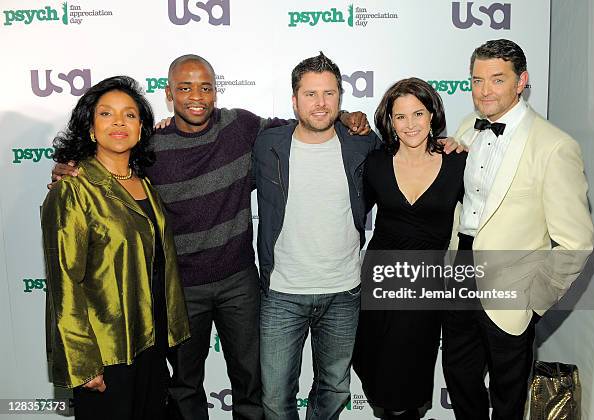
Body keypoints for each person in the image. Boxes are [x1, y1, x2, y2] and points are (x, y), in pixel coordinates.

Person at [50, 54, 372, 420]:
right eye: (184, 88)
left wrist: (347, 117)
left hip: (239, 281)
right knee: (185, 385)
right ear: (169, 93)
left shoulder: (243, 127)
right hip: (181, 287)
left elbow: (307, 122)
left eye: (205, 87)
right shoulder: (150, 146)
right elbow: (113, 167)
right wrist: (73, 166)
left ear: (215, 92)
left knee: (252, 382)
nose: (196, 96)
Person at [442, 39, 594, 420]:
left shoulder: (554, 146)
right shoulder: (467, 127)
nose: (484, 90)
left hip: (513, 285)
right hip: (459, 267)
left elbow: (576, 242)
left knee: (509, 395)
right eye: (477, 80)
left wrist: (533, 303)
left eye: (497, 80)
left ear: (521, 81)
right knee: (460, 377)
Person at [41, 76, 191, 420]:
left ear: (141, 129)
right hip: (107, 354)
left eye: (130, 115)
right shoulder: (73, 190)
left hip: (151, 344)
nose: (120, 122)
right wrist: (83, 362)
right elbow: (64, 285)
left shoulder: (145, 184)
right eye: (107, 114)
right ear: (91, 129)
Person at [252, 52, 379, 420]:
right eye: (310, 94)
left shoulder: (362, 144)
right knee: (276, 398)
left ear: (340, 98)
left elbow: (409, 159)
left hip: (344, 291)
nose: (320, 103)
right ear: (294, 100)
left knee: (335, 387)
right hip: (282, 293)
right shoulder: (267, 144)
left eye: (329, 94)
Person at [352, 78, 466, 420]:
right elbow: (354, 214)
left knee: (410, 372)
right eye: (401, 116)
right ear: (390, 121)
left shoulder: (457, 162)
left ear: (432, 114)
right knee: (374, 364)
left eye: (418, 113)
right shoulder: (375, 164)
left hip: (426, 283)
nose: (411, 124)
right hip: (381, 278)